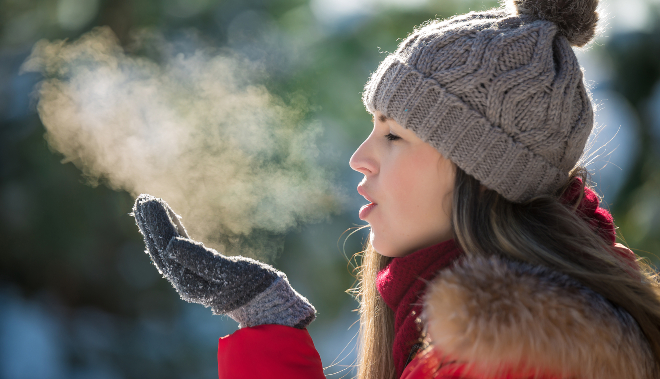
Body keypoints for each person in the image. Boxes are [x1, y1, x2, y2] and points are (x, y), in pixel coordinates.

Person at [132, 0, 660, 378]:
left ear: (479, 168)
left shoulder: (513, 357)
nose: (359, 158)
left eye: (392, 134)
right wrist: (266, 321)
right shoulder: (505, 330)